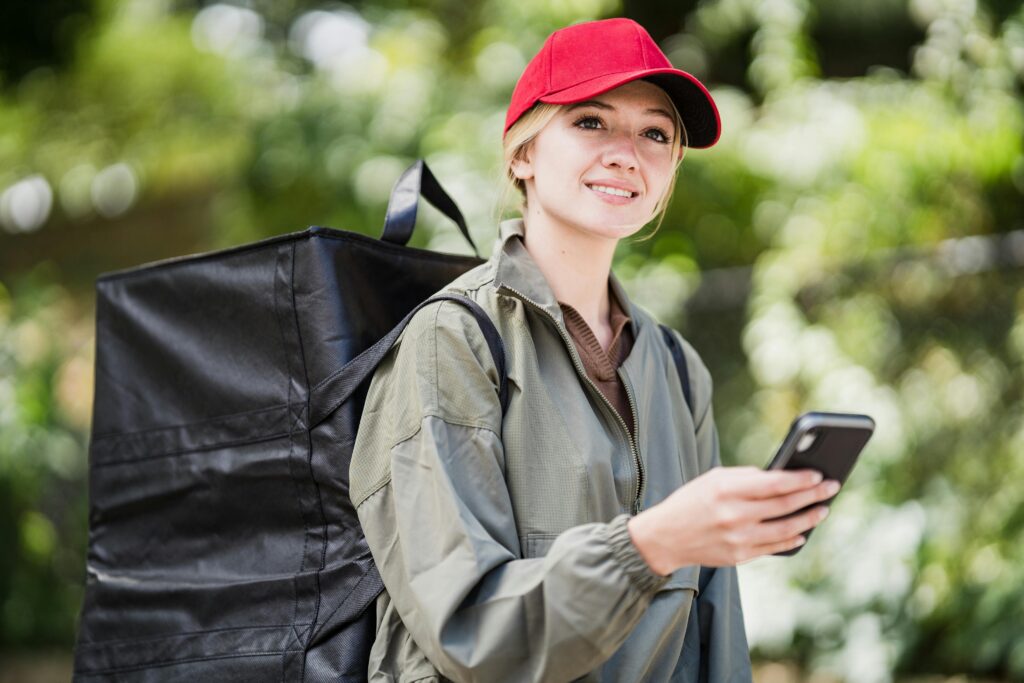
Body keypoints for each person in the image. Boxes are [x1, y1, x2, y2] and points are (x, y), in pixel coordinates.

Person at [349, 17, 839, 682]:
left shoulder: (677, 367)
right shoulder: (455, 338)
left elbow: (714, 627)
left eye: (656, 133)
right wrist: (651, 544)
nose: (625, 152)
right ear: (522, 153)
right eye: (590, 122)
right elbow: (468, 630)